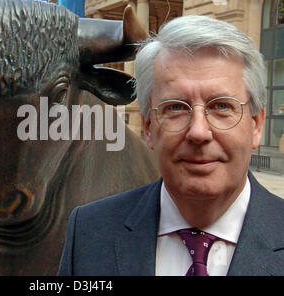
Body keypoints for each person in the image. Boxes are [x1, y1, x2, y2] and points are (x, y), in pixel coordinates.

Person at [58, 15, 284, 276]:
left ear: (256, 125)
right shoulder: (88, 232)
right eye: (176, 107)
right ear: (148, 127)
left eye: (221, 106)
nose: (199, 132)